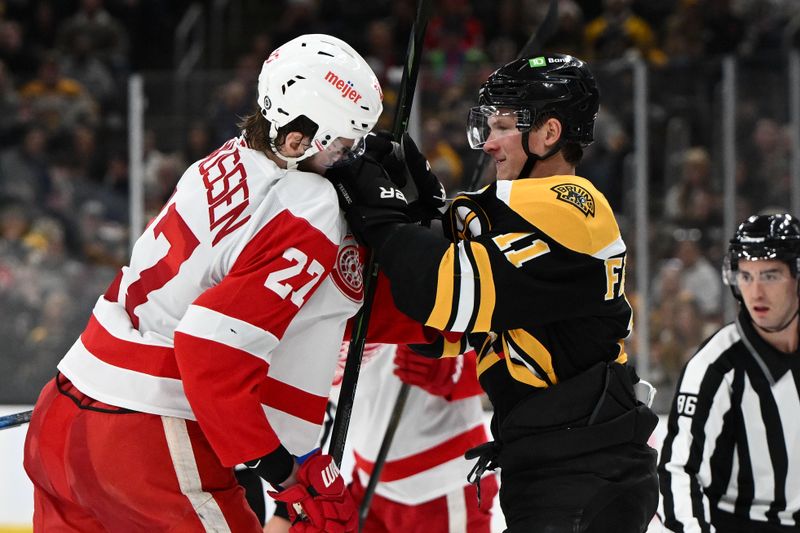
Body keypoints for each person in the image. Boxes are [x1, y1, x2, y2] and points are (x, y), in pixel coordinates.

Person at [22, 33, 384, 533]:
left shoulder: (217, 163)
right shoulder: (308, 202)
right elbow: (209, 351)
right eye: (342, 146)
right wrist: (284, 472)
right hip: (147, 442)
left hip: (61, 415)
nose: (349, 161)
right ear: (299, 139)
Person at [329, 53, 659, 532]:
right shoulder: (528, 211)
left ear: (548, 134)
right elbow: (449, 321)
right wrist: (417, 188)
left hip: (584, 469)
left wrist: (385, 214)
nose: (487, 144)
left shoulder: (573, 207)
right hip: (559, 462)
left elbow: (447, 288)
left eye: (502, 126)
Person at [659, 213, 800, 533]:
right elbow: (679, 471)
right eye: (746, 277)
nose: (756, 293)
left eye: (770, 276)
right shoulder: (716, 366)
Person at [263, 342, 499, 532]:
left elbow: (504, 347)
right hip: (369, 485)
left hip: (441, 488)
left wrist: (454, 366)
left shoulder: (411, 284)